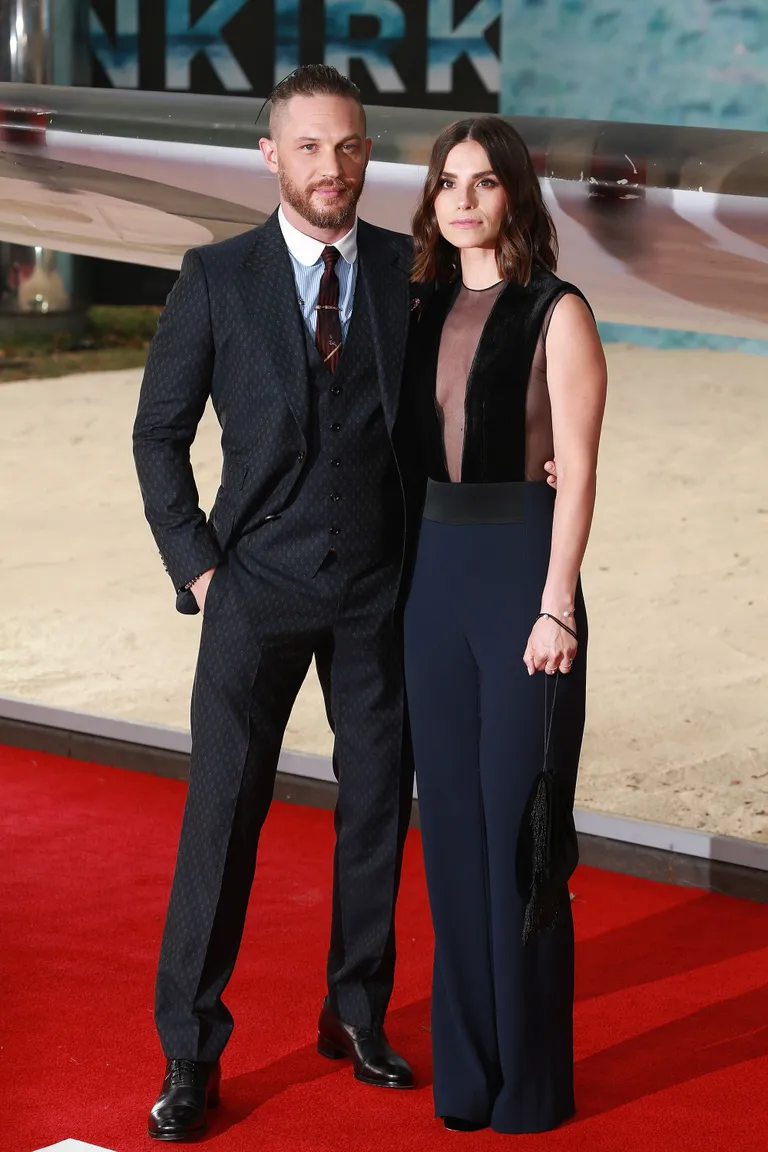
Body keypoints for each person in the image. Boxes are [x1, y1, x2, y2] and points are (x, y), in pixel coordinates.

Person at [133, 65, 422, 1142]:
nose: (331, 167)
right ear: (270, 156)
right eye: (309, 146)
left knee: (377, 812)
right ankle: (189, 1052)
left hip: (377, 593)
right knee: (222, 820)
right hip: (251, 590)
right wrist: (200, 568)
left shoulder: (407, 270)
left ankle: (355, 1014)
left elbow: (444, 417)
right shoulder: (215, 278)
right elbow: (158, 433)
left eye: (348, 146)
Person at [402, 117, 607, 1134]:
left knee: (519, 838)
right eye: (448, 182)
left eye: (484, 182)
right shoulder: (419, 304)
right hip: (431, 584)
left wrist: (555, 601)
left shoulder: (558, 311)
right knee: (447, 839)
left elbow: (579, 470)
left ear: (515, 195)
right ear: (432, 199)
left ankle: (531, 1085)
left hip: (524, 580)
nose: (464, 199)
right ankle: (469, 1077)